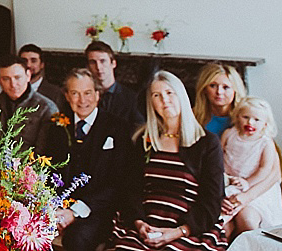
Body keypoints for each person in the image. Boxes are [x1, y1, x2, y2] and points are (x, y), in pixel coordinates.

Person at [107, 71, 226, 251]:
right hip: (146, 225)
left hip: (188, 228)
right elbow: (132, 189)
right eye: (157, 95)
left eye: (170, 93)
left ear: (181, 96)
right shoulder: (144, 141)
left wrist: (179, 231)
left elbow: (212, 200)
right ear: (151, 103)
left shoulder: (207, 143)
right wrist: (139, 223)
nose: (164, 100)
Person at [47, 68, 131, 251]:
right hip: (58, 206)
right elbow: (48, 171)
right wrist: (54, 208)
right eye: (75, 93)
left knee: (77, 239)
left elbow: (118, 182)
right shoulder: (56, 126)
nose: (82, 100)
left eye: (87, 93)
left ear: (97, 95)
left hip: (97, 209)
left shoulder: (118, 128)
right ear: (67, 96)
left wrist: (75, 212)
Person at [220, 97, 282, 236]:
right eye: (246, 117)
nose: (250, 122)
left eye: (256, 120)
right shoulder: (229, 134)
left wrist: (247, 182)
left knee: (248, 222)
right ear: (238, 116)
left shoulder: (265, 143)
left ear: (265, 124)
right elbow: (220, 159)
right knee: (222, 219)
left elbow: (265, 170)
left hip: (256, 188)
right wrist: (227, 178)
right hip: (231, 184)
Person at [0, 54, 58, 156]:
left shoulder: (46, 108)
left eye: (17, 77)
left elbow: (42, 152)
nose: (13, 84)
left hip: (28, 169)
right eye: (6, 79)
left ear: (28, 75)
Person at [85, 40, 144, 127]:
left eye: (102, 61)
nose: (98, 67)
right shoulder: (84, 97)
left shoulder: (131, 98)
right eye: (93, 62)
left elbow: (140, 128)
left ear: (113, 63)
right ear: (88, 67)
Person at [193, 63, 247, 136]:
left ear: (235, 90)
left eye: (226, 87)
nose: (219, 92)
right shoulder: (193, 115)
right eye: (213, 86)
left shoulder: (247, 117)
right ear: (204, 89)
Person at [19, 43, 65, 110]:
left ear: (42, 65)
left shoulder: (56, 93)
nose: (28, 65)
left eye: (33, 61)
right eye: (24, 61)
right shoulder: (11, 89)